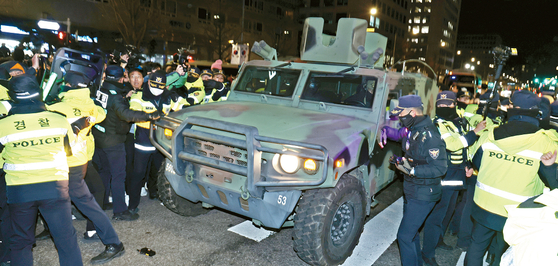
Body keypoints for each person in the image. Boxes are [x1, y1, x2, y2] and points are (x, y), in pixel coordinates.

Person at [464, 90, 558, 266]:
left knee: (475, 248)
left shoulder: (490, 134)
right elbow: (554, 183)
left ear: (512, 108)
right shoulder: (547, 143)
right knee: (504, 255)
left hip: (485, 206)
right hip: (517, 213)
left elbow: (476, 162)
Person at [0, 75, 82, 265]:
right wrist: (76, 130)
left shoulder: (3, 125)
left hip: (19, 190)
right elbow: (71, 152)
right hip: (54, 187)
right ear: (39, 93)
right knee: (66, 240)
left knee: (20, 242)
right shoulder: (59, 120)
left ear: (13, 97)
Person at [45, 70, 125, 263]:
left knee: (79, 202)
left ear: (69, 86)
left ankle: (112, 243)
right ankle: (109, 241)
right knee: (74, 201)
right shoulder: (91, 106)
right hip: (80, 161)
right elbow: (102, 114)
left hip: (64, 163)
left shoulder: (57, 108)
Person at [380, 95, 448, 266]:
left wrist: (413, 170)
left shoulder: (430, 135)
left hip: (424, 193)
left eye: (401, 113)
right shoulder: (413, 128)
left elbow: (440, 168)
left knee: (404, 236)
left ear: (411, 112)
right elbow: (400, 136)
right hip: (412, 189)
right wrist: (384, 130)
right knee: (412, 233)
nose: (399, 118)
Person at [421, 92, 485, 265]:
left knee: (448, 211)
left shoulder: (455, 122)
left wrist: (467, 164)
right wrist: (475, 132)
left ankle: (438, 239)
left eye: (448, 104)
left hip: (456, 174)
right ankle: (427, 252)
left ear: (454, 105)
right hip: (443, 175)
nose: (444, 107)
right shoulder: (439, 124)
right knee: (436, 215)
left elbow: (462, 150)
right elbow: (453, 144)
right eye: (441, 104)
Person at [92, 65, 159, 221]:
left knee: (105, 172)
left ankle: (103, 202)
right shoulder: (116, 96)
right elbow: (126, 114)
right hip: (113, 141)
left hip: (100, 137)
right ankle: (120, 211)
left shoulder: (101, 89)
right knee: (119, 175)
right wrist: (150, 115)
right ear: (122, 78)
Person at [128, 71, 187, 214]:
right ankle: (132, 205)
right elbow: (132, 114)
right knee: (138, 173)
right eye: (154, 85)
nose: (157, 88)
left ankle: (155, 192)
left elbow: (186, 106)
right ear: (149, 83)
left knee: (159, 170)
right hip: (143, 141)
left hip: (161, 141)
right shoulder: (138, 96)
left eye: (160, 86)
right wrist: (150, 116)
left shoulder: (168, 96)